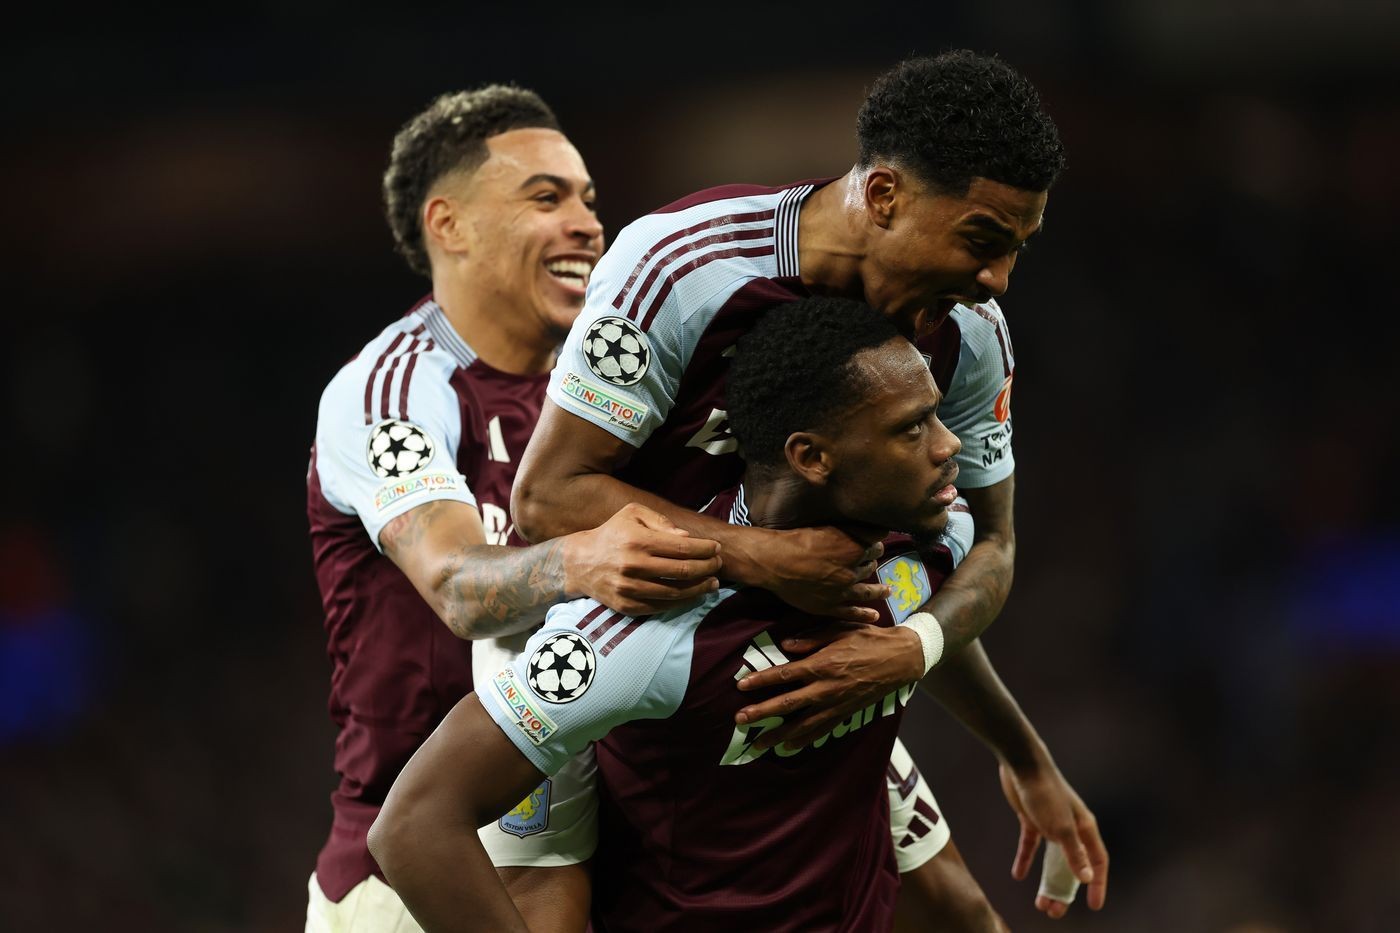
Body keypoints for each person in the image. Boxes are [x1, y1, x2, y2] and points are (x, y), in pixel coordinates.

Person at [512, 50, 1107, 922]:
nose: (997, 280)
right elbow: (546, 498)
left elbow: (990, 545)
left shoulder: (970, 333)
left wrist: (945, 681)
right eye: (982, 240)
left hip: (797, 675)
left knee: (967, 915)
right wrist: (761, 558)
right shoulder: (682, 269)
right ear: (884, 195)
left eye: (1017, 249)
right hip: (602, 656)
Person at [371, 296, 991, 932]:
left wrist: (931, 661)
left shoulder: (931, 537)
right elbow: (414, 824)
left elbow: (989, 563)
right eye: (912, 429)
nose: (948, 445)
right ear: (811, 457)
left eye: (937, 416)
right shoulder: (650, 623)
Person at [304, 85, 723, 933]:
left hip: (585, 859)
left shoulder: (607, 396)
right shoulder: (393, 391)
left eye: (589, 201)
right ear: (449, 224)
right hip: (419, 879)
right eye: (546, 197)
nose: (587, 225)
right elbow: (458, 586)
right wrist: (582, 559)